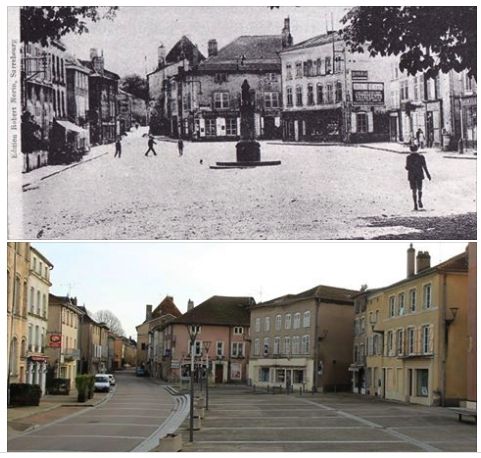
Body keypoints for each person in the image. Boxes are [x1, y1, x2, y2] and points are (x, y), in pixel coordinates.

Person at [405, 144, 431, 211]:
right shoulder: (421, 157)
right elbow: (424, 166)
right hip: (419, 174)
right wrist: (428, 175)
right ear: (417, 149)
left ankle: (415, 205)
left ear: (410, 149)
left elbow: (407, 167)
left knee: (414, 190)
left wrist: (408, 167)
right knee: (420, 189)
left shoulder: (408, 157)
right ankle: (419, 199)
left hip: (412, 175)